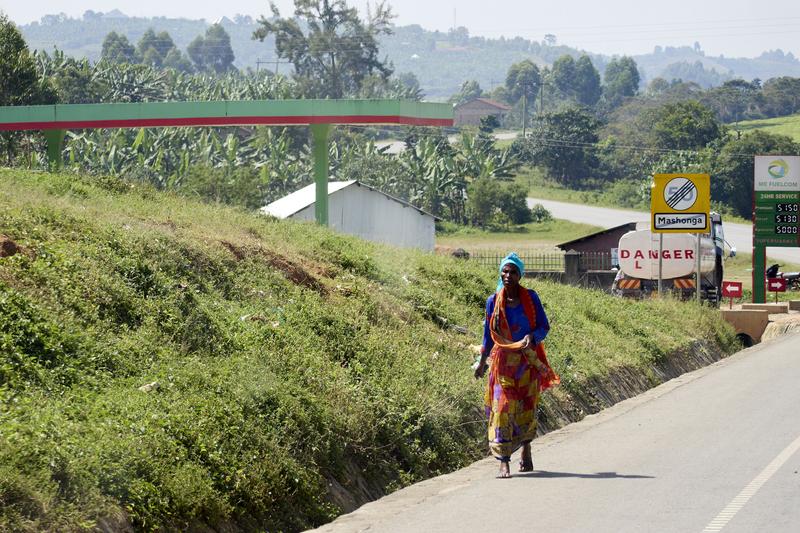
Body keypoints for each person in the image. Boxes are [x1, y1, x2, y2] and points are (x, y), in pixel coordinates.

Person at [474, 252, 559, 478]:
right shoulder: (493, 301)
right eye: (504, 271)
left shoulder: (531, 299)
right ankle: (503, 461)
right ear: (500, 274)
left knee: (526, 409)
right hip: (503, 364)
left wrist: (533, 337)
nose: (508, 275)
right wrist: (481, 363)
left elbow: (544, 326)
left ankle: (526, 449)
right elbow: (488, 335)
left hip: (526, 363)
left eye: (512, 272)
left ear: (520, 275)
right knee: (501, 409)